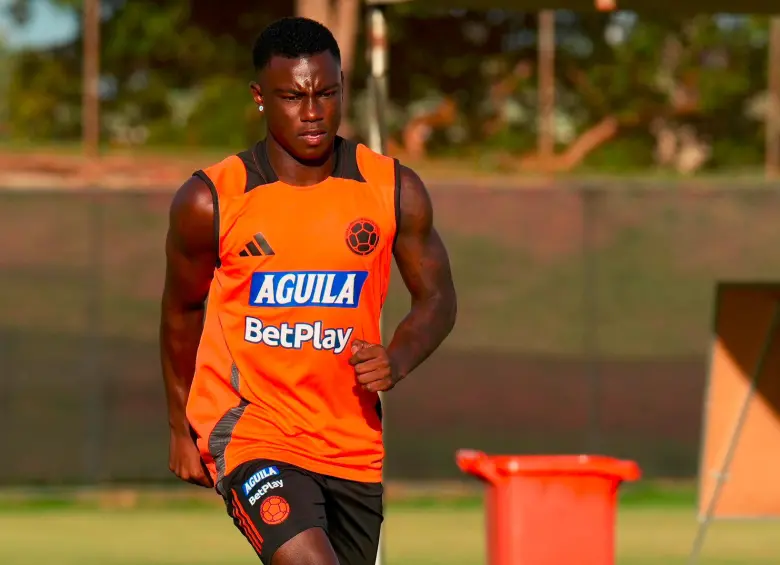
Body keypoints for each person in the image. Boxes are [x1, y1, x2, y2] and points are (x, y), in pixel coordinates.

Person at [160, 15, 457, 565]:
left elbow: (438, 299)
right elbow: (181, 310)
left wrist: (397, 357)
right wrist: (182, 425)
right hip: (251, 429)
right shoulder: (212, 199)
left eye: (327, 93)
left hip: (351, 445)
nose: (314, 112)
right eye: (293, 97)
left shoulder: (391, 188)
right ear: (259, 97)